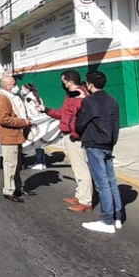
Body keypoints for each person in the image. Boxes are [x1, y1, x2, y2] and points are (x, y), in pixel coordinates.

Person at [75, 70, 123, 233]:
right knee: (111, 181)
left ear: (90, 85)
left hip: (94, 143)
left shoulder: (89, 101)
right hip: (109, 144)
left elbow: (80, 123)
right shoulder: (112, 100)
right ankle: (117, 217)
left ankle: (107, 221)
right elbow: (116, 123)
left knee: (102, 184)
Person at [39, 70, 92, 213]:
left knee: (81, 168)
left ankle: (86, 200)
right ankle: (80, 195)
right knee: (77, 167)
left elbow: (82, 117)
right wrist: (46, 110)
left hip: (76, 136)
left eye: (63, 81)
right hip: (69, 134)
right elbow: (64, 114)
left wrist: (75, 134)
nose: (63, 84)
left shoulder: (81, 96)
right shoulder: (71, 95)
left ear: (69, 81)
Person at [0, 74, 34, 203]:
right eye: (13, 84)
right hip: (9, 136)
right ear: (7, 86)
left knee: (17, 164)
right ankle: (8, 190)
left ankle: (17, 187)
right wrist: (23, 122)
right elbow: (3, 119)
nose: (16, 86)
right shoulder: (3, 99)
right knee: (10, 164)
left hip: (17, 135)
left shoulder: (13, 97)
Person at [21, 83, 47, 170]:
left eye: (23, 89)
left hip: (35, 122)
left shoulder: (29, 98)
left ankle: (39, 162)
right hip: (41, 121)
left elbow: (33, 110)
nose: (22, 91)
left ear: (27, 90)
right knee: (41, 142)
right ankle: (42, 162)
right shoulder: (37, 96)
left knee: (37, 142)